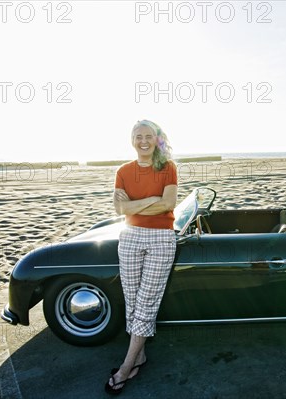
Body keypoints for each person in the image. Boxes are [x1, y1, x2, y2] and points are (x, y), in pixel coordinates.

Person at [105, 120, 178, 395]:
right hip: (130, 236)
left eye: (148, 136)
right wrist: (152, 199)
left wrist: (134, 205)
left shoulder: (168, 167)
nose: (143, 141)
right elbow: (119, 209)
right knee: (132, 300)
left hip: (161, 239)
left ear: (156, 139)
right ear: (132, 140)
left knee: (147, 301)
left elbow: (169, 204)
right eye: (138, 136)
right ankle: (141, 356)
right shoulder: (123, 171)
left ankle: (126, 368)